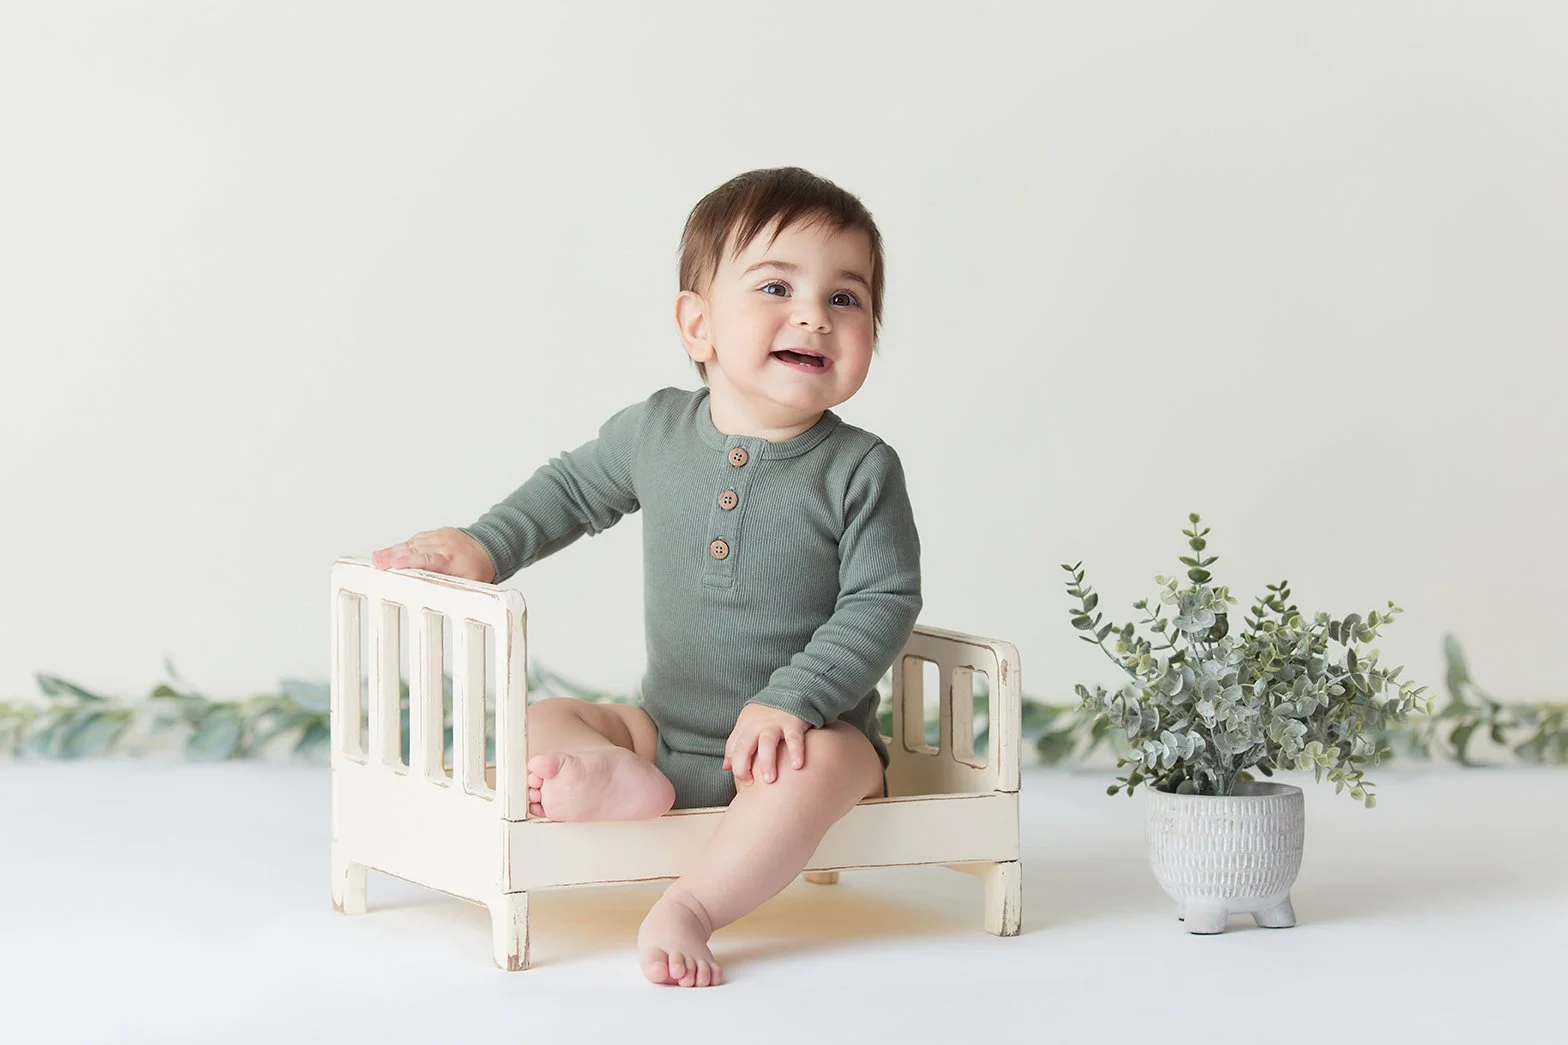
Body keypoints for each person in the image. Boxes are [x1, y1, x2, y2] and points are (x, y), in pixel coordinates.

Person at [372, 167, 921, 987]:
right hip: (666, 733)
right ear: (698, 325)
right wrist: (484, 547)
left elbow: (884, 599)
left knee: (830, 762)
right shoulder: (656, 432)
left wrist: (793, 699)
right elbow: (569, 491)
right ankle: (623, 779)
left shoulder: (860, 468)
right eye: (777, 286)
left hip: (802, 741)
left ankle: (692, 904)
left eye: (846, 297)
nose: (815, 314)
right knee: (550, 715)